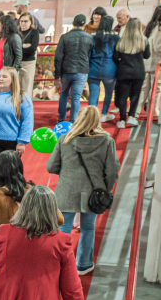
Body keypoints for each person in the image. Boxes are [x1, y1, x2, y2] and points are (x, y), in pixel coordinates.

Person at [46, 105, 120, 275]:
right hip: (94, 193)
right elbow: (112, 172)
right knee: (88, 228)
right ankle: (83, 264)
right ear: (97, 120)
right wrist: (105, 189)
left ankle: (59, 265)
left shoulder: (64, 139)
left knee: (63, 229)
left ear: (78, 118)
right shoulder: (107, 142)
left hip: (66, 191)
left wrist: (67, 172)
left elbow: (51, 166)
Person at [112, 17, 151, 129]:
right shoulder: (144, 40)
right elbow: (147, 56)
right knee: (135, 95)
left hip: (123, 71)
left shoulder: (121, 40)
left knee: (123, 96)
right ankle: (131, 116)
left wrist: (121, 63)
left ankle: (122, 119)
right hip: (138, 71)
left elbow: (115, 57)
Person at [54, 14, 94, 123]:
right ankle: (73, 121)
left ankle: (61, 118)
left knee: (64, 93)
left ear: (73, 23)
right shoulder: (90, 38)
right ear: (84, 25)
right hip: (82, 71)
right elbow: (91, 56)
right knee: (76, 97)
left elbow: (58, 57)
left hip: (66, 70)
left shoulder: (65, 37)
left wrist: (57, 74)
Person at [140, 5, 161, 119]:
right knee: (157, 88)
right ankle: (153, 111)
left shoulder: (150, 26)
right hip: (157, 62)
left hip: (146, 62)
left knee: (144, 88)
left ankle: (135, 111)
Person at [87, 16, 119, 122]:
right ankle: (104, 113)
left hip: (93, 67)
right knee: (108, 93)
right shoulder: (115, 36)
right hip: (109, 68)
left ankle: (91, 117)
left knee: (93, 94)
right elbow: (117, 52)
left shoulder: (92, 36)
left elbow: (88, 53)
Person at [18, 13, 41, 100]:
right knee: (17, 87)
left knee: (27, 87)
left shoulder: (34, 32)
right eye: (21, 21)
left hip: (29, 62)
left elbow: (32, 49)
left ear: (31, 22)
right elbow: (13, 48)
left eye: (25, 21)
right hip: (17, 62)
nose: (23, 23)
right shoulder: (16, 32)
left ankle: (26, 105)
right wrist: (24, 46)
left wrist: (19, 48)